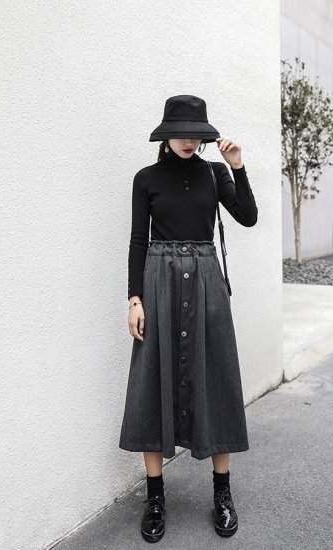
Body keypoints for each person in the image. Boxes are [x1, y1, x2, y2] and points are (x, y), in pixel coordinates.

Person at [119, 95, 258, 542]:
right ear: (166, 134)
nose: (188, 141)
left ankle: (222, 493)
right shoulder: (146, 179)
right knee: (151, 380)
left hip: (205, 280)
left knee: (216, 376)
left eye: (195, 134)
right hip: (158, 280)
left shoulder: (215, 173)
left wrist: (237, 167)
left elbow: (248, 217)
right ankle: (155, 498)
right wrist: (134, 298)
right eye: (180, 132)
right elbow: (138, 240)